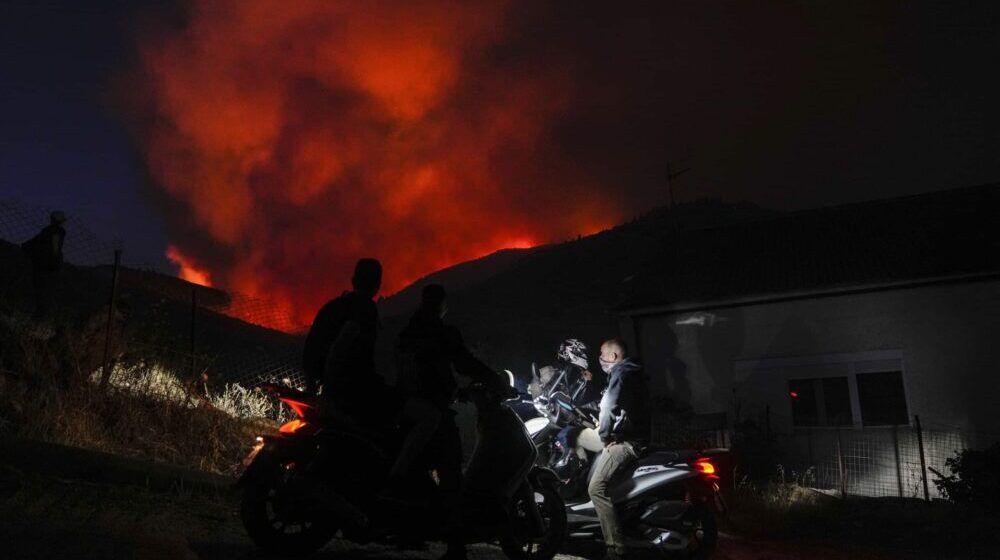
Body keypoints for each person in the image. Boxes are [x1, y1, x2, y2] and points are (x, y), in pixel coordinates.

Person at [301, 258, 438, 497]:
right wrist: (330, 394)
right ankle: (395, 482)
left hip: (338, 391)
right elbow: (340, 346)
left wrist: (313, 388)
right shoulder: (364, 310)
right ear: (377, 286)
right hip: (359, 392)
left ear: (353, 281)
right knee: (429, 416)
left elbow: (311, 351)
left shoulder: (330, 308)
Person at [394, 283, 502, 560]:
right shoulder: (440, 333)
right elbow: (464, 362)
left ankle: (411, 531)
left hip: (407, 409)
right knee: (451, 473)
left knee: (416, 468)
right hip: (433, 410)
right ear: (442, 305)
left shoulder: (409, 331)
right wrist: (494, 379)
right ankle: (456, 546)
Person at [588, 338, 650, 560]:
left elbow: (608, 405)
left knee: (596, 488)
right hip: (630, 436)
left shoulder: (621, 372)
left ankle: (616, 547)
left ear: (613, 357)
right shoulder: (630, 371)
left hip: (628, 442)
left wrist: (605, 436)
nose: (601, 359)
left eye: (602, 354)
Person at [22, 210, 66, 319]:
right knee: (46, 291)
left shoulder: (46, 231)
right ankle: (40, 315)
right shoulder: (58, 232)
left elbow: (31, 243)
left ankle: (38, 314)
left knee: (39, 289)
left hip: (39, 264)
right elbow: (55, 248)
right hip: (49, 266)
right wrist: (55, 262)